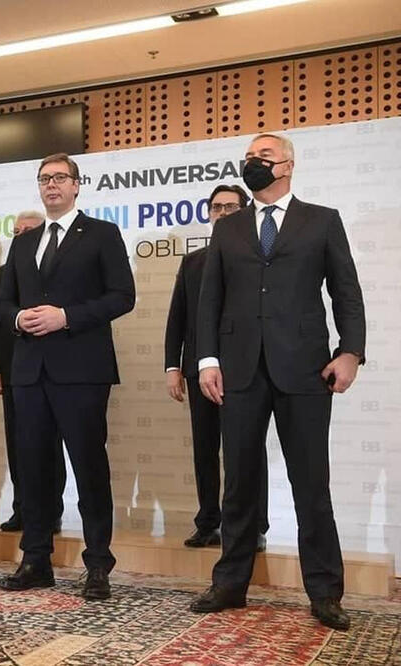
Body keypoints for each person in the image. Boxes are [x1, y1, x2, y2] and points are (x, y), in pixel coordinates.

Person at [190, 133, 366, 632]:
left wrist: (350, 352)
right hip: (238, 368)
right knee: (239, 482)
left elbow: (346, 291)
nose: (253, 162)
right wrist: (207, 360)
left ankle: (325, 592)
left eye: (263, 156)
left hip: (306, 369)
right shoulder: (229, 227)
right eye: (248, 157)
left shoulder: (322, 220)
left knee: (311, 483)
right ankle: (230, 584)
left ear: (287, 165)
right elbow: (210, 299)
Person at [0, 153, 135, 599]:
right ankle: (36, 560)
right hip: (28, 371)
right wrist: (18, 319)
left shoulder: (102, 234)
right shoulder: (23, 243)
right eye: (44, 179)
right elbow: (2, 303)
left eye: (59, 178)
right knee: (33, 469)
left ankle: (98, 565)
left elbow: (123, 296)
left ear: (77, 185)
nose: (51, 185)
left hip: (81, 370)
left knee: (89, 468)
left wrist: (66, 316)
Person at [164, 185, 270, 551]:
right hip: (199, 370)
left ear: (245, 210)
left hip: (246, 368)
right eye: (216, 207)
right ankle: (208, 521)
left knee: (248, 449)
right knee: (205, 449)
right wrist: (172, 366)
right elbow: (178, 318)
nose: (222, 213)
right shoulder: (193, 261)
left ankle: (253, 527)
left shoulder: (260, 257)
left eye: (230, 207)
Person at [0, 211, 66, 533]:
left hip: (52, 367)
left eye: (27, 230)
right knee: (18, 443)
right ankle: (23, 508)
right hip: (12, 369)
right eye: (16, 230)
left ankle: (52, 511)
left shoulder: (55, 269)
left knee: (50, 445)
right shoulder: (2, 272)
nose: (20, 235)